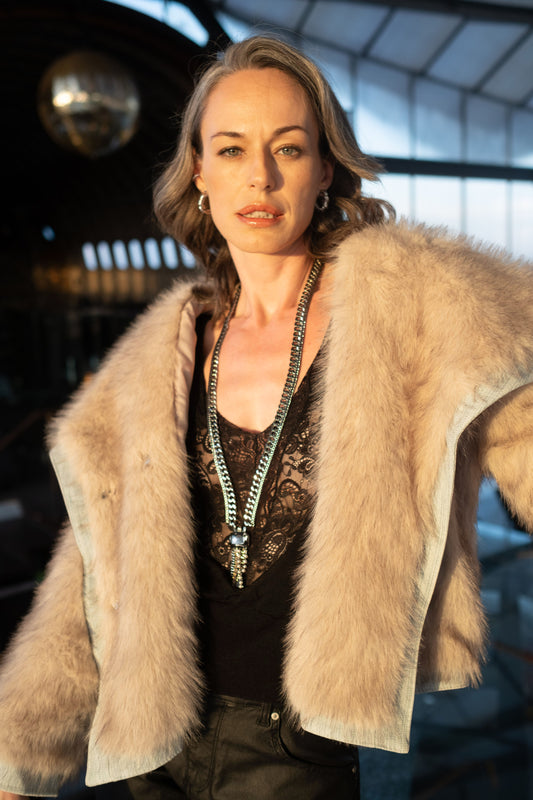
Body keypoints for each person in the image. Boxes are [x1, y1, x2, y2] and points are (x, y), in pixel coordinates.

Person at [1, 33, 533, 800]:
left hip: (297, 749)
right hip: (150, 748)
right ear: (199, 173)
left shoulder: (419, 313)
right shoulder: (152, 361)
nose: (260, 176)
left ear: (325, 169)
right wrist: (17, 758)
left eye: (288, 147)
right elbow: (90, 574)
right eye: (231, 149)